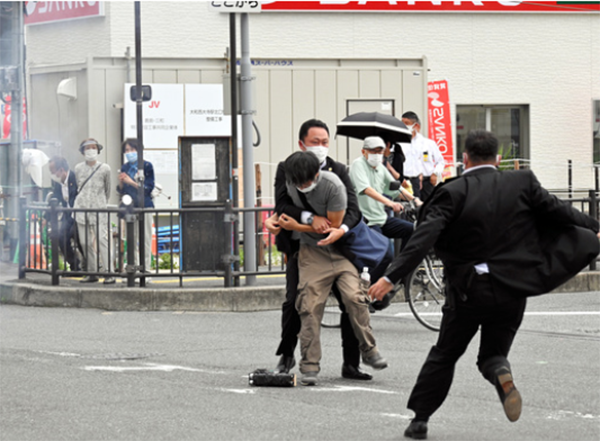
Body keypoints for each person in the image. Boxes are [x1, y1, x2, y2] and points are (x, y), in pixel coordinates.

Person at [368, 129, 600, 439]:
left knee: (446, 353)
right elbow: (562, 213)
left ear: (465, 159)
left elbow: (423, 238)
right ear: (499, 159)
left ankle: (420, 419)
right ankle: (500, 372)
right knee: (492, 354)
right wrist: (596, 230)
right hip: (514, 286)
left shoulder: (452, 192)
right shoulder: (522, 182)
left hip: (467, 289)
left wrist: (389, 277)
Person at [265, 118, 376, 381]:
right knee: (295, 302)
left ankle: (351, 363)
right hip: (301, 249)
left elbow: (353, 210)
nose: (320, 147)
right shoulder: (286, 168)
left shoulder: (339, 170)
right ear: (302, 143)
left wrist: (341, 229)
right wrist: (308, 218)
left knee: (352, 302)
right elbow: (282, 204)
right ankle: (287, 356)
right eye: (315, 142)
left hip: (339, 250)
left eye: (325, 142)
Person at [349, 136, 416, 251]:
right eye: (372, 151)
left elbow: (396, 188)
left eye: (379, 151)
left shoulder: (381, 168)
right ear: (363, 151)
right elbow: (367, 189)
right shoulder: (358, 165)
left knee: (413, 230)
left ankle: (403, 265)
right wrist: (390, 203)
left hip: (381, 218)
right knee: (386, 251)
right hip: (365, 221)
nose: (376, 154)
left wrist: (416, 201)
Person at [73, 138, 115, 284]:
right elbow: (79, 186)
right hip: (81, 208)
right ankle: (92, 272)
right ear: (83, 151)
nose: (91, 150)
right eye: (87, 148)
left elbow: (107, 189)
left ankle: (109, 272)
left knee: (102, 241)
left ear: (98, 150)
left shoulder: (105, 168)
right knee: (84, 243)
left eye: (93, 147)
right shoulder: (78, 168)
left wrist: (101, 202)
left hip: (99, 209)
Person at [117, 138, 155, 274]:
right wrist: (121, 183)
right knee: (131, 240)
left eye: (132, 149)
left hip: (145, 205)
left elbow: (148, 188)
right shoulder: (125, 167)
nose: (129, 152)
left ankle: (145, 271)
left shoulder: (147, 166)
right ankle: (133, 270)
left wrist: (131, 181)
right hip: (130, 206)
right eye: (127, 150)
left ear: (139, 151)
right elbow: (122, 190)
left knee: (145, 240)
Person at [401, 111, 445, 201]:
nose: (404, 126)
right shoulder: (399, 143)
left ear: (416, 126)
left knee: (428, 208)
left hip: (427, 182)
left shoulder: (428, 143)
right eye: (402, 123)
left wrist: (435, 173)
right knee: (409, 209)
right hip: (406, 182)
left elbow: (440, 161)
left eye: (407, 123)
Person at [48, 156, 79, 271]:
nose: (52, 175)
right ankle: (74, 265)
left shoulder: (75, 178)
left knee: (80, 240)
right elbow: (55, 199)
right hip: (68, 217)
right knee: (61, 238)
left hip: (78, 215)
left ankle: (85, 266)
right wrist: (46, 217)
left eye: (53, 171)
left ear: (61, 170)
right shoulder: (58, 184)